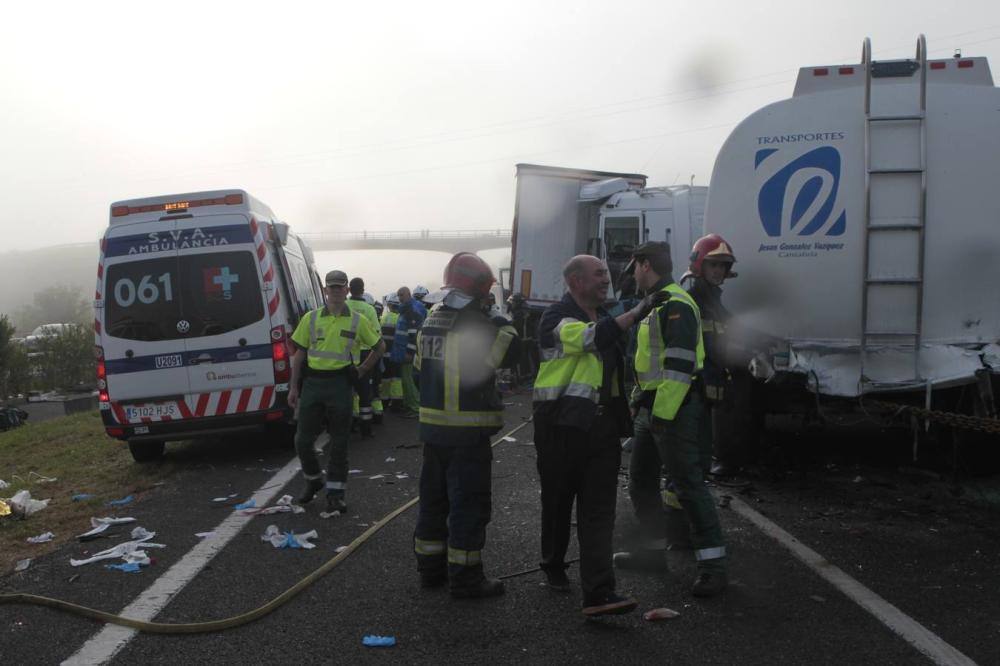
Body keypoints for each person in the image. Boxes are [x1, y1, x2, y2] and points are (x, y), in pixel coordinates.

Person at [532, 254, 668, 617]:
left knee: (598, 511)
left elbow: (613, 371)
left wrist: (631, 405)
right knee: (559, 503)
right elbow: (592, 340)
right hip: (561, 427)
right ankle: (553, 564)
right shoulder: (555, 318)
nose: (606, 280)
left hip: (603, 429)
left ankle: (599, 591)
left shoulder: (605, 317)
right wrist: (638, 310)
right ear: (575, 281)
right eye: (598, 275)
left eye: (606, 275)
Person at [614, 241, 728, 598]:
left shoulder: (676, 303)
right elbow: (647, 363)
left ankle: (713, 567)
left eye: (634, 266)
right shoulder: (656, 303)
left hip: (674, 408)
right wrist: (638, 402)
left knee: (688, 485)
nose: (632, 274)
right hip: (654, 407)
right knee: (641, 481)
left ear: (646, 265)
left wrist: (660, 416)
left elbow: (679, 368)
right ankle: (652, 553)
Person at [412, 253, 520, 598]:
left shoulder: (431, 321)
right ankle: (466, 578)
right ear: (479, 291)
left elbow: (419, 370)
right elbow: (508, 354)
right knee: (468, 505)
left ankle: (430, 571)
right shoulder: (479, 325)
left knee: (433, 501)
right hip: (467, 432)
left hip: (433, 431)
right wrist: (499, 317)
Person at [288, 270, 385, 513]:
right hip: (313, 384)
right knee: (302, 440)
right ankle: (313, 480)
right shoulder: (310, 319)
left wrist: (362, 369)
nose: (336, 291)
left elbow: (379, 346)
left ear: (347, 290)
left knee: (340, 442)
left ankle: (335, 493)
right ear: (325, 290)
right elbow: (298, 355)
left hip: (340, 384)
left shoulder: (356, 320)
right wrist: (292, 387)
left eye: (340, 287)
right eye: (332, 287)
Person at [683, 234, 753, 479]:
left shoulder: (713, 299)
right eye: (713, 264)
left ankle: (717, 460)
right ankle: (715, 461)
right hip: (702, 376)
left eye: (723, 265)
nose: (718, 270)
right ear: (700, 265)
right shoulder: (695, 300)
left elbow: (731, 326)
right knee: (711, 420)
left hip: (715, 373)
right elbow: (710, 342)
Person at [346, 278, 381, 438]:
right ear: (363, 289)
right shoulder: (369, 309)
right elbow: (377, 334)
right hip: (367, 354)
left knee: (348, 392)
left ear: (349, 289)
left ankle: (349, 423)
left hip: (345, 354)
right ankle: (366, 429)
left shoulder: (343, 307)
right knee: (364, 392)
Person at [395, 286, 427, 418]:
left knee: (410, 381)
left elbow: (414, 332)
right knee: (407, 380)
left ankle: (415, 408)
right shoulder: (406, 309)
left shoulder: (411, 310)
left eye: (402, 295)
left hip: (408, 352)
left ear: (409, 294)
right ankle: (411, 405)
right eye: (398, 295)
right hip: (403, 350)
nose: (400, 298)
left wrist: (409, 352)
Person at [380, 293, 403, 412]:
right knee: (397, 379)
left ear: (389, 305)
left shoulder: (383, 318)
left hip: (384, 355)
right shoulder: (400, 318)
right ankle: (396, 404)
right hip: (397, 355)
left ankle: (384, 402)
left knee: (385, 379)